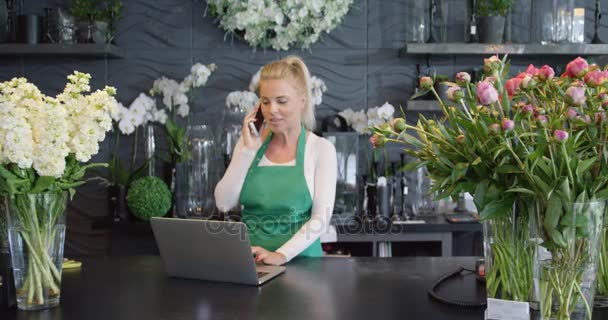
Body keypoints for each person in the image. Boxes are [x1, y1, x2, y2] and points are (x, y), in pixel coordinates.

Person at [214, 56, 337, 266]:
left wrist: (280, 255)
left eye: (282, 101)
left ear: (302, 101)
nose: (272, 110)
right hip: (252, 264)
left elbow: (320, 220)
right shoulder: (247, 145)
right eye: (265, 101)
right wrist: (247, 151)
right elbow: (223, 203)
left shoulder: (320, 150)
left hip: (304, 268)